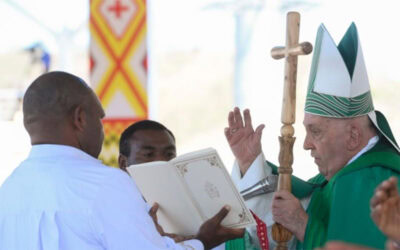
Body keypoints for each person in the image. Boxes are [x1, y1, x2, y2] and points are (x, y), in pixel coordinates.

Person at [0, 71, 244, 250]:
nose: (102, 130)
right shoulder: (105, 184)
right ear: (80, 119)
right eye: (100, 119)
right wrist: (203, 241)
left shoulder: (9, 189)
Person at [225, 23, 400, 250]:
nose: (306, 144)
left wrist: (302, 225)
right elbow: (281, 225)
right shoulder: (335, 179)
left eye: (315, 132)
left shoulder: (372, 181)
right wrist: (250, 165)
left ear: (353, 136)